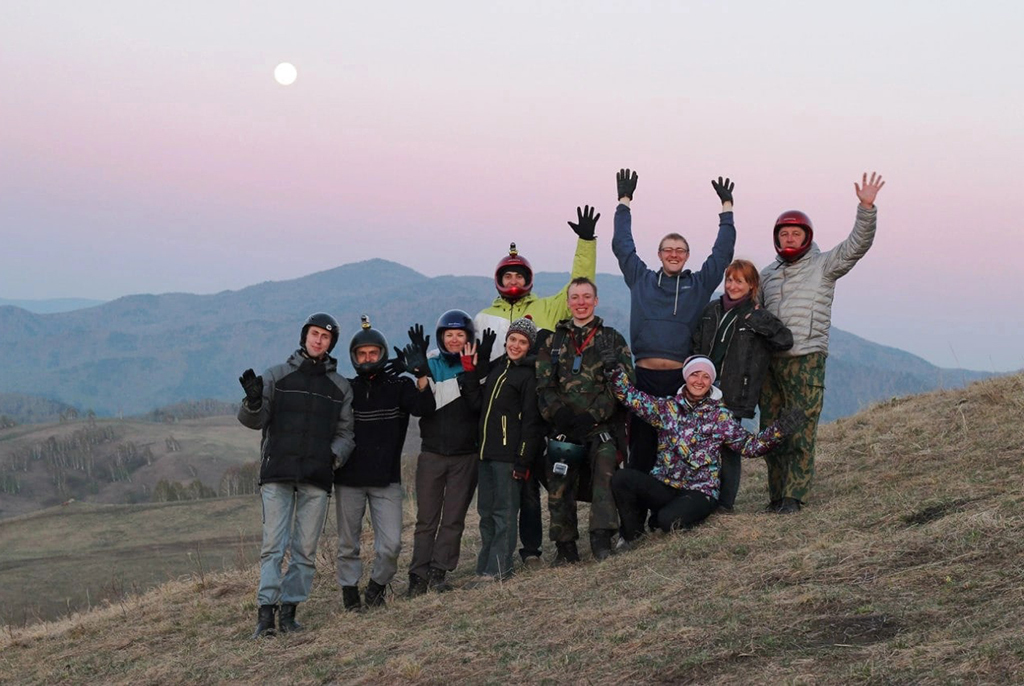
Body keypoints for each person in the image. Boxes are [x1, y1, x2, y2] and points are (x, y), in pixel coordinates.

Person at [474, 206, 599, 568]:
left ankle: (531, 550)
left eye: (519, 276)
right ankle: (498, 553)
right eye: (507, 276)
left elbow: (579, 286)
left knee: (530, 481)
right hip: (497, 413)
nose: (513, 282)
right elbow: (471, 359)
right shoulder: (485, 316)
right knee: (503, 490)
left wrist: (586, 242)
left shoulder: (546, 308)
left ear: (528, 278)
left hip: (535, 406)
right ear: (499, 279)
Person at [759, 172, 885, 514]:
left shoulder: (824, 265)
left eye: (795, 232)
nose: (789, 237)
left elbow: (856, 246)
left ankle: (793, 497)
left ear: (807, 236)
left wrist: (866, 208)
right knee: (770, 431)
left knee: (799, 429)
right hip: (770, 363)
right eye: (783, 233)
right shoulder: (767, 275)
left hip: (806, 359)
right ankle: (774, 496)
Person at [611, 170, 737, 478]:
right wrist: (624, 203)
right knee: (640, 450)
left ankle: (667, 517)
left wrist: (727, 209)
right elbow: (622, 246)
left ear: (687, 256)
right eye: (668, 249)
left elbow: (722, 255)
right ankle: (635, 522)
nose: (673, 254)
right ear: (659, 254)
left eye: (680, 250)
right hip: (643, 379)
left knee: (675, 451)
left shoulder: (699, 284)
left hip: (679, 383)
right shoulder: (641, 278)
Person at [237, 313, 355, 638]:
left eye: (325, 337)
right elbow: (254, 420)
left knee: (305, 550)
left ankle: (290, 613)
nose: (318, 340)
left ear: (332, 344)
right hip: (277, 473)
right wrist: (252, 401)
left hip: (317, 477)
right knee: (273, 546)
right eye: (314, 334)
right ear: (304, 336)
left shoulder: (340, 387)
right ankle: (266, 616)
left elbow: (347, 433)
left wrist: (332, 457)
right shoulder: (277, 376)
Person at [604, 354, 803, 542]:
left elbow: (749, 446)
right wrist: (614, 372)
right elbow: (632, 398)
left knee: (666, 521)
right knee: (622, 479)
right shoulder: (667, 409)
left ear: (711, 382)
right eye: (695, 374)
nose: (699, 381)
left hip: (700, 491)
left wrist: (779, 430)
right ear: (686, 377)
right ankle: (632, 536)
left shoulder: (720, 416)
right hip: (665, 485)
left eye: (706, 376)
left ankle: (674, 516)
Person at [333, 316, 434, 612]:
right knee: (348, 544)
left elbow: (425, 407)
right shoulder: (346, 389)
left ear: (382, 354)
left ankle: (377, 587)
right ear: (353, 357)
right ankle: (350, 594)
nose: (367, 358)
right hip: (348, 479)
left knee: (391, 546)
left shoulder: (398, 386)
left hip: (386, 479)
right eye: (361, 354)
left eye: (372, 353)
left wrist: (421, 374)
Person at [535, 277, 634, 564]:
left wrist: (594, 416)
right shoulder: (553, 341)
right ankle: (565, 547)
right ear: (568, 302)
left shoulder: (611, 338)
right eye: (575, 297)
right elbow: (543, 385)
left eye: (586, 297)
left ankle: (601, 537)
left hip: (600, 426)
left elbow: (624, 383)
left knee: (605, 468)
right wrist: (561, 416)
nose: (581, 302)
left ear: (596, 301)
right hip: (563, 427)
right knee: (558, 476)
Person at [691, 259, 793, 511]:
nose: (732, 285)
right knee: (700, 444)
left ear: (751, 285)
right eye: (729, 279)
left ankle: (725, 505)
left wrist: (761, 323)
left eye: (739, 281)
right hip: (704, 388)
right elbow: (695, 344)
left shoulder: (756, 315)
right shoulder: (711, 310)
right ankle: (700, 497)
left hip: (735, 393)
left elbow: (785, 340)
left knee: (729, 448)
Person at [406, 310, 485, 596]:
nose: (454, 340)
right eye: (448, 335)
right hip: (432, 453)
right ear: (441, 337)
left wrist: (472, 373)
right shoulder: (428, 364)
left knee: (453, 518)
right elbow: (421, 408)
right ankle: (418, 575)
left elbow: (478, 408)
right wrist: (421, 376)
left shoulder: (476, 365)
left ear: (468, 337)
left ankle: (440, 571)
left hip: (466, 455)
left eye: (460, 335)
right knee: (426, 518)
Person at [467, 317, 544, 581]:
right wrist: (469, 372)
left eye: (522, 342)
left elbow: (532, 424)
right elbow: (477, 404)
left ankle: (499, 569)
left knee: (505, 514)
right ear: (507, 339)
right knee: (485, 513)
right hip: (485, 453)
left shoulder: (528, 376)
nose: (516, 345)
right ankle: (485, 566)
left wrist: (522, 460)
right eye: (513, 339)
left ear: (529, 346)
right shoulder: (497, 368)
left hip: (508, 457)